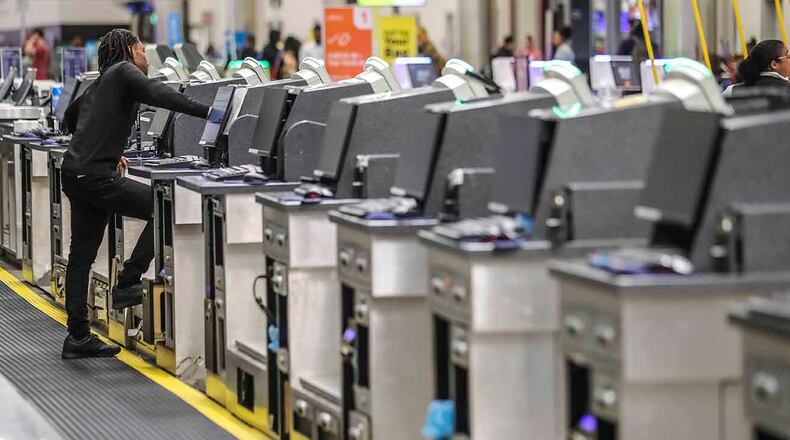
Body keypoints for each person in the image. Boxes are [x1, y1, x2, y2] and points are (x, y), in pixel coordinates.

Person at [59, 29, 212, 359]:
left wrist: (107, 151)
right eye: (143, 50)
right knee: (163, 209)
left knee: (81, 255)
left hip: (76, 173)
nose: (146, 58)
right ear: (129, 50)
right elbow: (161, 95)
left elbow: (70, 120)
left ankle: (78, 336)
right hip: (95, 176)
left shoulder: (101, 81)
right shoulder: (125, 72)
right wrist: (211, 113)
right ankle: (128, 282)